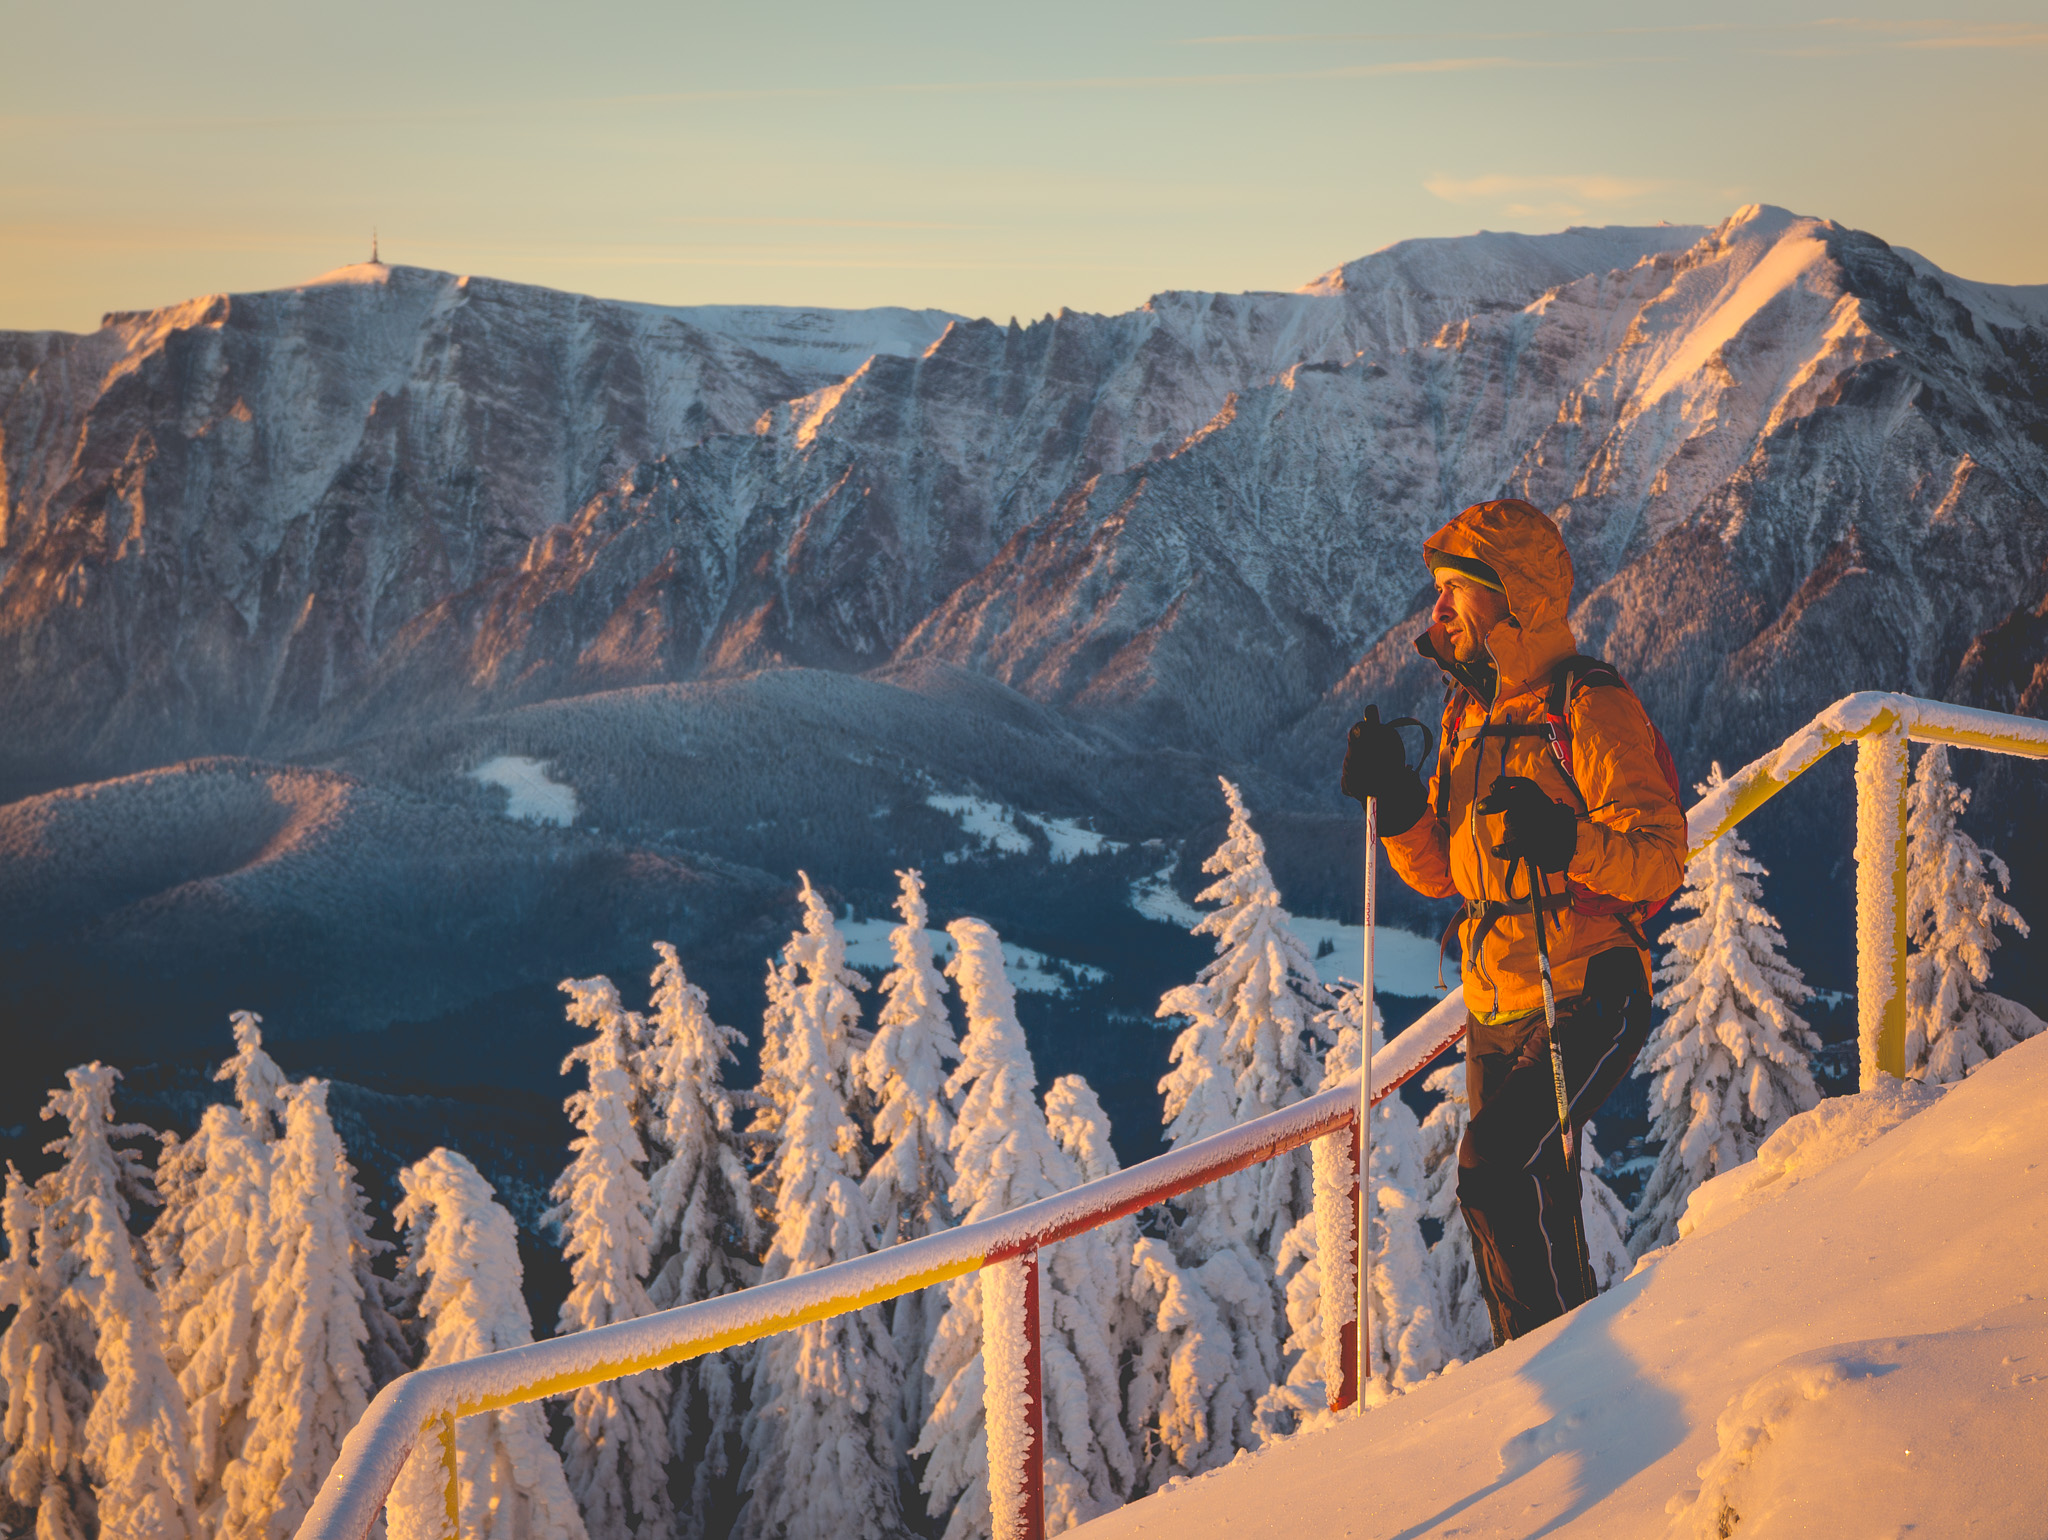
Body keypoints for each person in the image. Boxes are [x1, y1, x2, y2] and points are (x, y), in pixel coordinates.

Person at [1341, 498, 1685, 1344]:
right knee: (1531, 1190)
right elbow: (1451, 877)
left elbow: (1659, 855)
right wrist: (1394, 807)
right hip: (1496, 1004)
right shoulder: (1469, 716)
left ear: (1513, 601)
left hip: (1589, 987)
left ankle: (1539, 1368)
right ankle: (1569, 1365)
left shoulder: (1588, 706)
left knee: (1494, 1172)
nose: (1438, 613)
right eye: (1439, 594)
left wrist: (1565, 839)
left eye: (1457, 593)